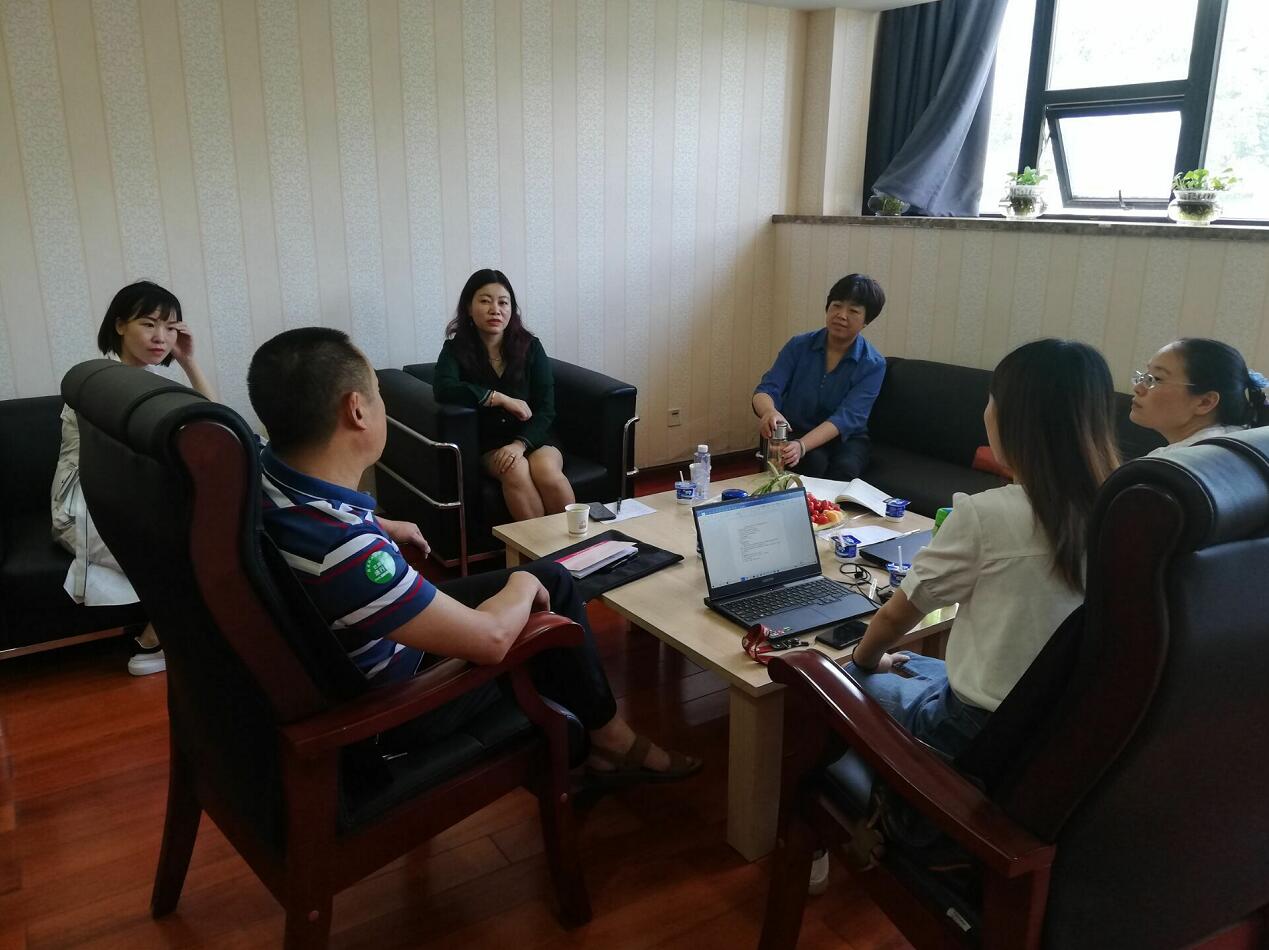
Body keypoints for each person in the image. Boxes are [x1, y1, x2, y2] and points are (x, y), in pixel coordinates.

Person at [246, 326, 701, 785]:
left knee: (554, 578)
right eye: (379, 395)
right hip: (404, 706)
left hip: (366, 650)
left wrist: (383, 524)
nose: (384, 406)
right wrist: (521, 582)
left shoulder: (266, 475)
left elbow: (330, 536)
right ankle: (612, 744)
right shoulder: (347, 550)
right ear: (357, 410)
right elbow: (492, 640)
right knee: (543, 599)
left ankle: (601, 738)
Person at [51, 281, 215, 676]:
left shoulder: (146, 383)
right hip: (85, 506)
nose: (161, 337)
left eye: (171, 327)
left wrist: (189, 361)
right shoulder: (105, 385)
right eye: (148, 324)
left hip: (121, 495)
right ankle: (154, 643)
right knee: (198, 551)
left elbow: (216, 430)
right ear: (120, 325)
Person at [433, 269, 573, 521]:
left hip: (534, 435)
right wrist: (497, 398)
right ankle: (538, 544)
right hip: (490, 442)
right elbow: (444, 388)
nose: (495, 310)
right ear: (469, 307)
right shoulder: (455, 350)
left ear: (512, 310)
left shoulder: (531, 347)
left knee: (546, 471)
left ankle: (578, 543)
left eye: (503, 302)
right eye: (485, 301)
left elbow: (546, 408)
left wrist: (520, 444)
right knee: (514, 468)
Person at [752, 274, 887, 480]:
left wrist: (802, 446)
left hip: (846, 438)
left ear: (866, 321)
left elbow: (847, 417)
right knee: (812, 462)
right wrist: (769, 412)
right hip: (797, 429)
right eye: (836, 306)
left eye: (853, 311)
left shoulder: (873, 364)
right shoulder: (798, 346)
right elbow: (767, 389)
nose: (841, 315)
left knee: (845, 470)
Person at [1129, 338, 1269, 455]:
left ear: (1205, 402)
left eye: (1156, 378)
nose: (1138, 388)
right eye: (1145, 376)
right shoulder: (1239, 443)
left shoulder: (1171, 465)